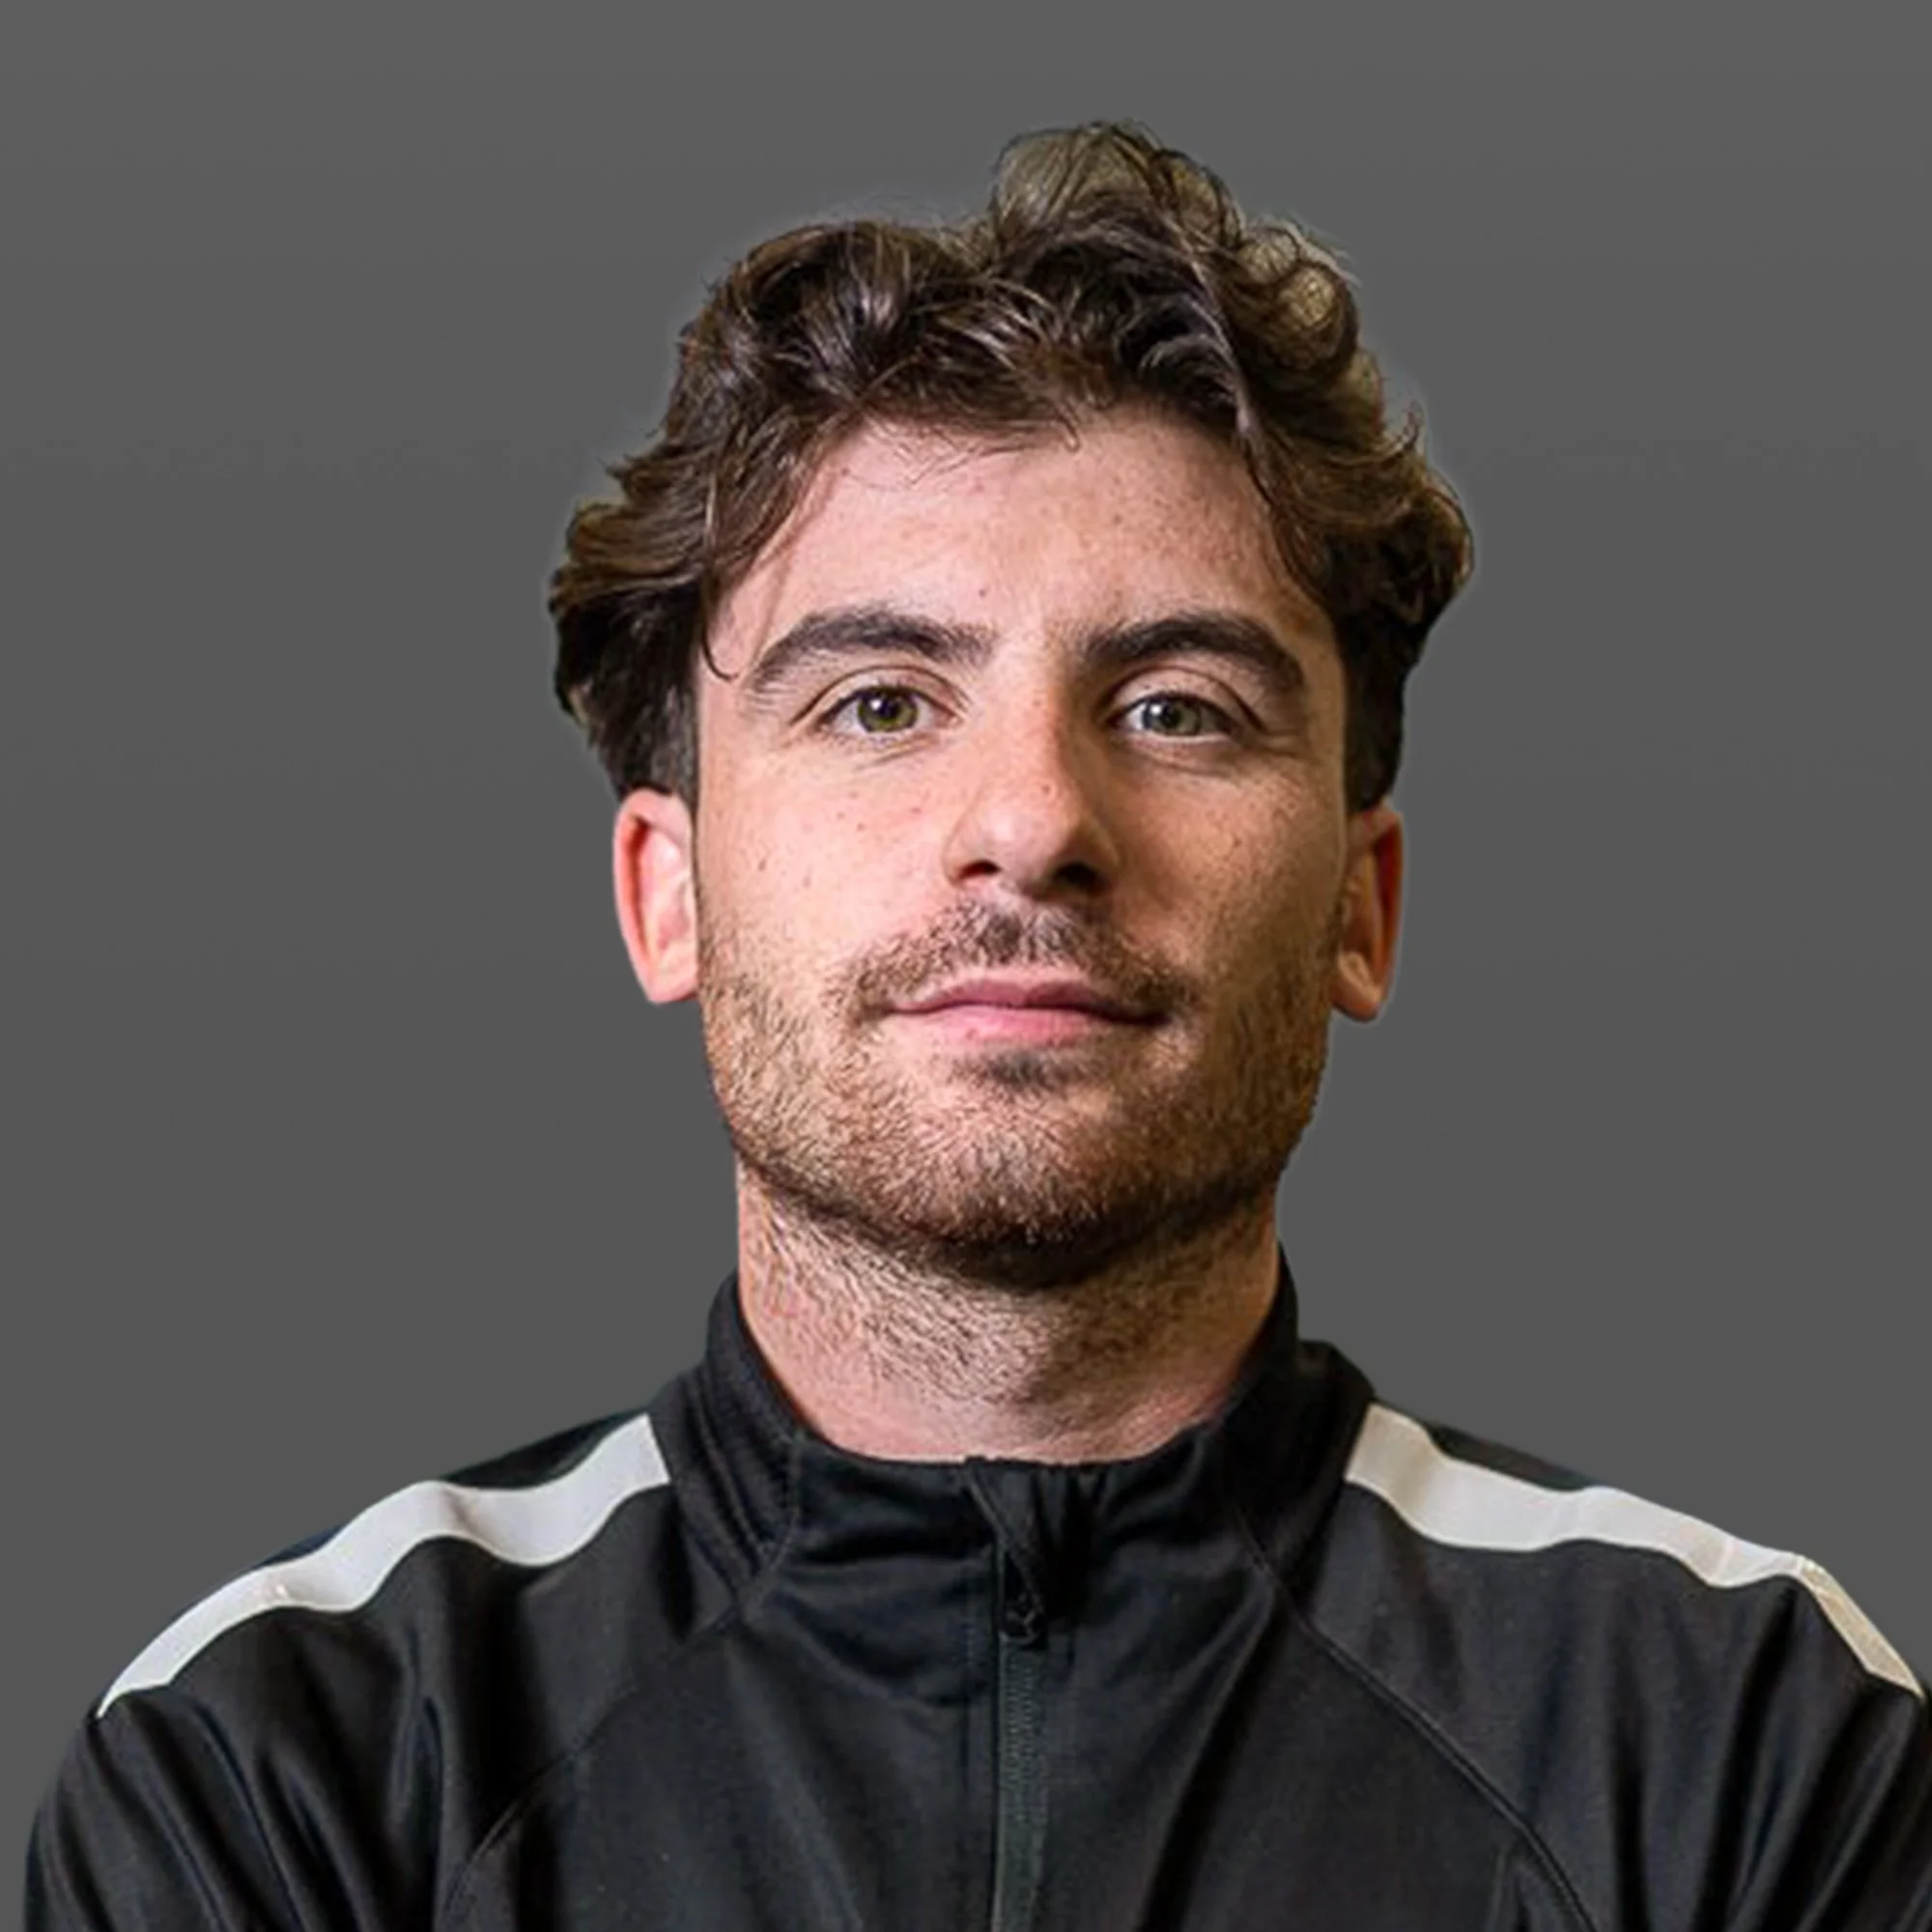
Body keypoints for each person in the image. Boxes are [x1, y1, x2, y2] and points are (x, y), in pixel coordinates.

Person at [27, 122, 1930, 1931]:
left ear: (1363, 906)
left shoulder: (1729, 1735)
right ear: (663, 891)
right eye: (876, 702)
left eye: (1177, 704)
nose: (1030, 819)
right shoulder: (287, 1765)